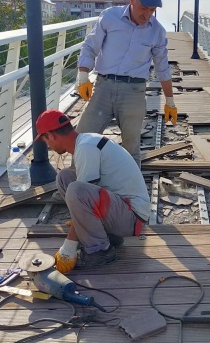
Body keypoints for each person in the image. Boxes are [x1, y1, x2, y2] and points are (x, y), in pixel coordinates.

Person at [34, 109, 150, 273]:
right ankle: (106, 237)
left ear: (51, 136)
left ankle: (100, 252)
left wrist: (68, 248)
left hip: (131, 218)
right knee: (65, 176)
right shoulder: (86, 141)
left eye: (45, 140)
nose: (48, 146)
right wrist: (80, 223)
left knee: (76, 189)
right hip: (124, 211)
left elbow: (81, 194)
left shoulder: (86, 148)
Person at [76, 0, 176, 167]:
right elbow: (91, 46)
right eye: (143, 8)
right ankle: (74, 188)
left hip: (134, 92)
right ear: (132, 0)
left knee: (132, 148)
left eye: (152, 10)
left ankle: (134, 193)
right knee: (82, 138)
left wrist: (170, 101)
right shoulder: (110, 17)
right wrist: (83, 75)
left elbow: (163, 68)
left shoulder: (157, 32)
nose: (146, 14)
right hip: (103, 87)